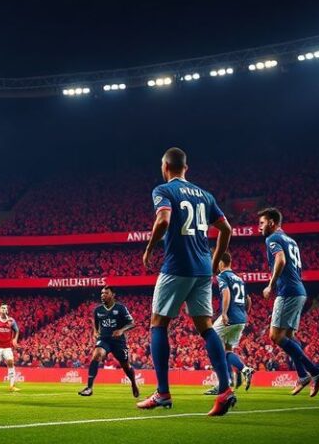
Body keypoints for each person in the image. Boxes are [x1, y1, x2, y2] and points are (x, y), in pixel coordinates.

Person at [136, 147, 236, 416]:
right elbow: (226, 229)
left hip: (177, 266)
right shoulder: (205, 194)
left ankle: (163, 393)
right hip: (203, 269)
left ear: (165, 166)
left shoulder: (163, 190)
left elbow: (163, 220)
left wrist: (149, 248)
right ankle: (225, 389)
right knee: (205, 327)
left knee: (158, 323)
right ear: (186, 168)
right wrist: (215, 262)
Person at [258, 207, 319, 397]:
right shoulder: (291, 240)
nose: (259, 228)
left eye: (262, 223)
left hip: (287, 291)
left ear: (272, 223)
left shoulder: (272, 239)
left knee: (275, 336)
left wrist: (270, 285)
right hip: (299, 291)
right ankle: (302, 375)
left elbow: (280, 260)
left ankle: (315, 372)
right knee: (289, 336)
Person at [204, 251, 255, 394]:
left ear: (221, 262)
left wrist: (225, 313)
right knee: (227, 351)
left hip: (230, 316)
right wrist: (245, 313)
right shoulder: (239, 279)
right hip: (241, 318)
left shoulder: (223, 276)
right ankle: (244, 370)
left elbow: (226, 293)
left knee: (210, 340)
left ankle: (222, 383)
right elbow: (248, 299)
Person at [78, 286, 139, 398]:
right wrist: (95, 332)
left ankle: (134, 384)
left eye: (106, 293)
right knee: (96, 355)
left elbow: (132, 323)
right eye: (102, 293)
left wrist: (121, 330)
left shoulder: (121, 308)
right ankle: (89, 387)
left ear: (113, 295)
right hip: (104, 339)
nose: (103, 295)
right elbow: (96, 324)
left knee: (125, 366)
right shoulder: (98, 310)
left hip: (118, 342)